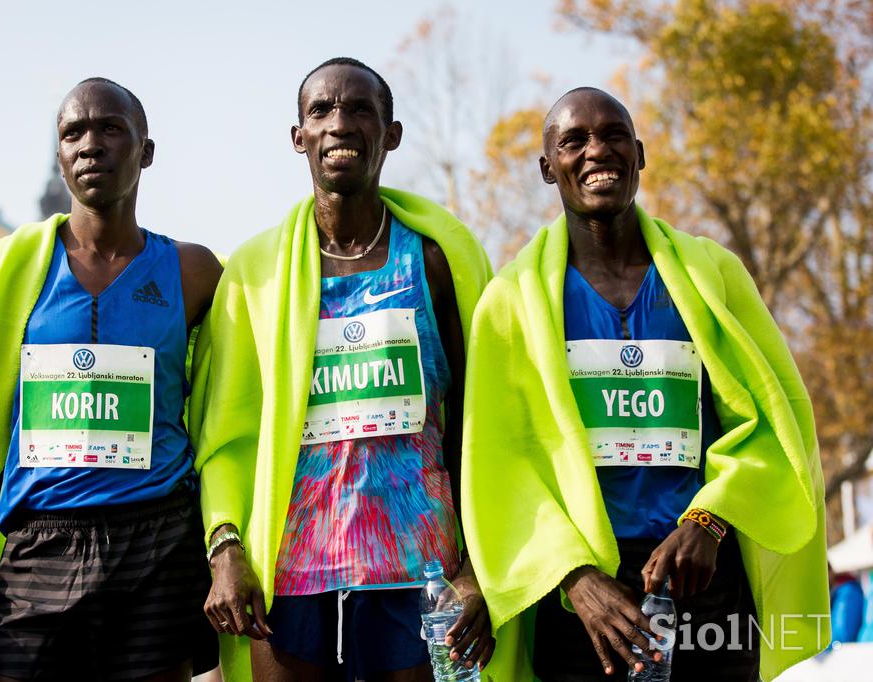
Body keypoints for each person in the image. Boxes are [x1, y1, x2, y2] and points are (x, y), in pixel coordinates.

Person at [0, 78, 222, 682]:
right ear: (59, 157)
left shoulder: (194, 272)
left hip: (158, 544)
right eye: (73, 133)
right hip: (39, 553)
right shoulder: (11, 275)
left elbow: (230, 412)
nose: (90, 145)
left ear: (146, 150)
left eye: (110, 129)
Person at [461, 87, 829, 681]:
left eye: (613, 135)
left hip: (703, 576)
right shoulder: (511, 302)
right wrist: (575, 579)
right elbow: (500, 465)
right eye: (573, 140)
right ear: (546, 168)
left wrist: (709, 521)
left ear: (640, 153)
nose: (596, 151)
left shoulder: (713, 275)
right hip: (584, 601)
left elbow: (775, 418)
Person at [189, 57, 494, 681]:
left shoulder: (435, 262)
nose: (340, 125)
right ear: (298, 136)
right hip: (291, 566)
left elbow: (474, 420)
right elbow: (224, 432)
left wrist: (479, 564)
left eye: (360, 110)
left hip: (419, 564)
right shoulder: (255, 275)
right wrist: (225, 546)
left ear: (392, 133)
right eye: (321, 111)